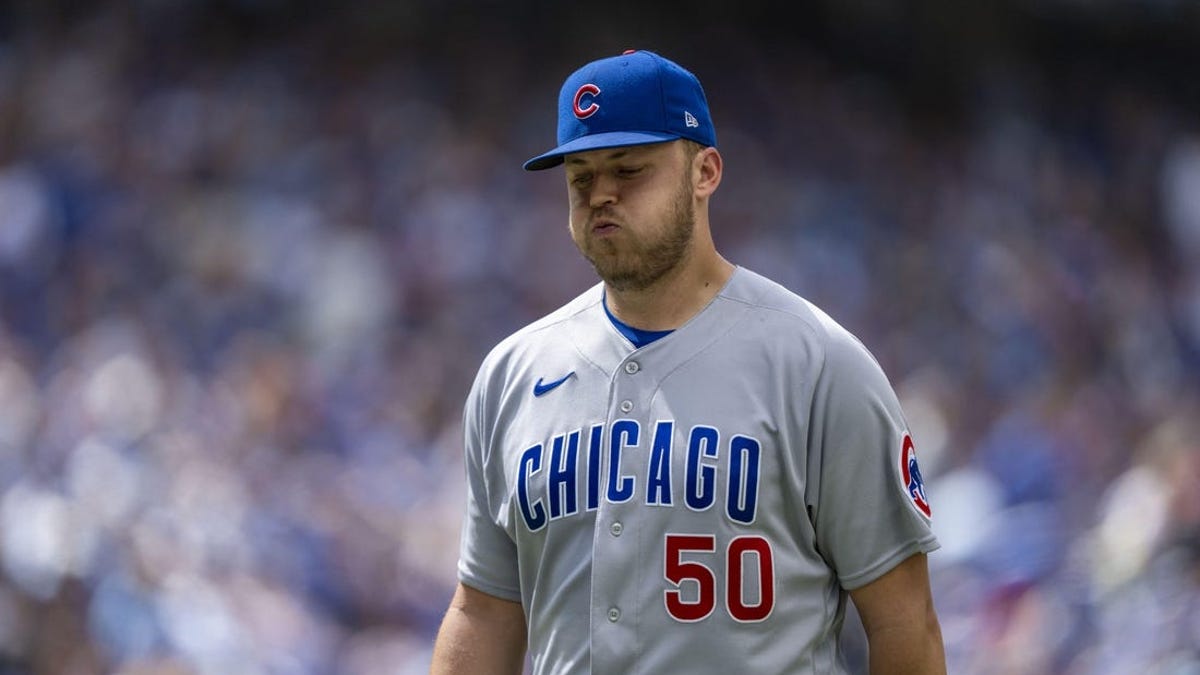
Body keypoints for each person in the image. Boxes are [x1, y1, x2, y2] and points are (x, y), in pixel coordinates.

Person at [430, 49, 946, 675]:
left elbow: (902, 622)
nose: (602, 196)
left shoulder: (819, 364)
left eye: (630, 169)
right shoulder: (511, 375)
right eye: (581, 177)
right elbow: (484, 612)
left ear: (705, 172)